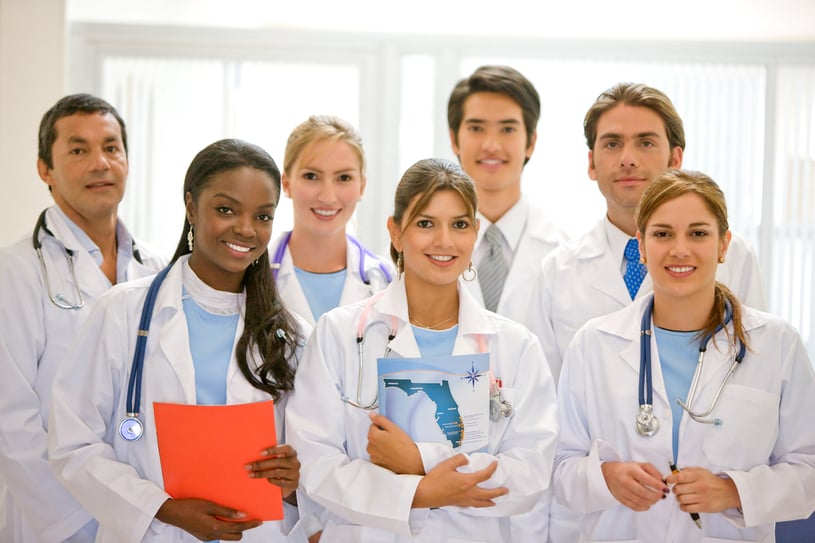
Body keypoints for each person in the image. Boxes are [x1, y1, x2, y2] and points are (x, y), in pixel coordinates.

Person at [49, 139, 310, 542]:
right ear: (191, 206)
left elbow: (315, 463)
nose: (245, 228)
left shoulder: (292, 337)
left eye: (263, 216)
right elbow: (73, 442)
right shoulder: (123, 313)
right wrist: (164, 510)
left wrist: (294, 483)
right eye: (226, 209)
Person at [285, 158, 558, 542]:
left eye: (459, 225)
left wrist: (420, 462)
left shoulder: (515, 347)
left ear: (476, 233)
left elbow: (530, 472)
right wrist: (420, 493)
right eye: (426, 223)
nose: (444, 241)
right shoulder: (340, 334)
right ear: (396, 232)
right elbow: (317, 464)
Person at [553, 169, 815, 542]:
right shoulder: (594, 344)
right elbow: (560, 466)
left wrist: (733, 492)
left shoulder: (777, 344)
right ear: (641, 246)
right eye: (662, 234)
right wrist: (604, 478)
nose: (680, 249)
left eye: (698, 233)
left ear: (724, 245)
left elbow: (808, 468)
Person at [0, 93, 166, 543]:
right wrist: (78, 524)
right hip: (59, 520)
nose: (100, 163)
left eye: (111, 147)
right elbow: (11, 420)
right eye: (78, 150)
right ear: (44, 169)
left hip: (148, 513)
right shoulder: (16, 272)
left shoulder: (158, 270)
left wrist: (142, 509)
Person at [528, 82, 767, 387]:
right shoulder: (557, 271)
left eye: (646, 143)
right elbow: (545, 390)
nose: (628, 158)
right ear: (591, 163)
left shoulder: (735, 257)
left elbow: (757, 365)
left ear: (676, 160)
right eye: (612, 144)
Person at [447, 65, 565, 324]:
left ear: (531, 143)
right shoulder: (422, 250)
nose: (491, 145)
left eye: (508, 129)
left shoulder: (565, 254)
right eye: (476, 128)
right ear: (454, 139)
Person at [270, 115, 393, 326]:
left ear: (362, 186)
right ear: (286, 183)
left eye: (343, 178)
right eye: (311, 176)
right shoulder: (255, 277)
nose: (327, 196)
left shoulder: (385, 281)